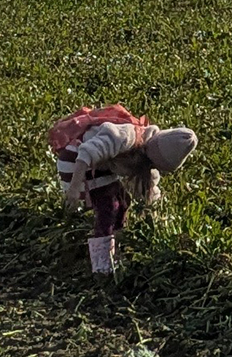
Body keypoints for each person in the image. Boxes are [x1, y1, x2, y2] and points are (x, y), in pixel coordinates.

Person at [54, 112, 198, 275]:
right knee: (109, 207)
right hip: (76, 162)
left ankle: (116, 244)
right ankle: (102, 266)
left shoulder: (148, 152)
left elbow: (150, 187)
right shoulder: (126, 136)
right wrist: (74, 189)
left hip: (101, 167)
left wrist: (155, 213)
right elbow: (87, 152)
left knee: (123, 201)